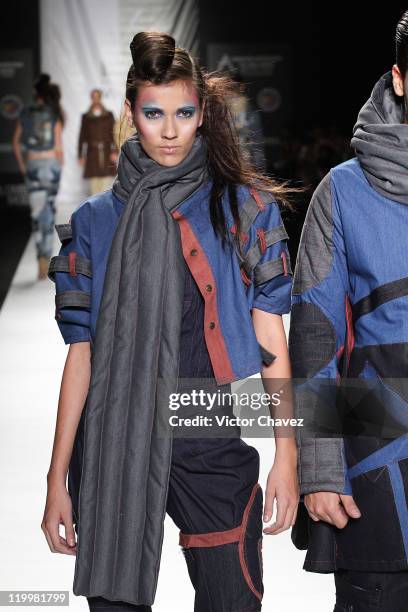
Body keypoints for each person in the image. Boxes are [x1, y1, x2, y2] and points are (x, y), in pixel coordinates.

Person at [41, 31, 299, 611]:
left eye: (184, 112)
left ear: (202, 113)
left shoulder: (241, 208)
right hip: (111, 437)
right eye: (154, 112)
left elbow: (270, 336)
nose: (169, 129)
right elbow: (80, 353)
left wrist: (288, 452)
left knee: (232, 601)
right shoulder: (94, 223)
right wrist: (57, 478)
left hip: (205, 426)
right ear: (132, 112)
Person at [289, 9, 408, 612]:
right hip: (378, 460)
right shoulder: (342, 191)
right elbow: (314, 341)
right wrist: (320, 467)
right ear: (400, 78)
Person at [12, 73, 64, 280]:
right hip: (51, 165)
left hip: (33, 164)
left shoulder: (25, 113)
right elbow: (58, 146)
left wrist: (23, 166)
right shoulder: (54, 113)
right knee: (49, 210)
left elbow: (16, 142)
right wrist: (59, 165)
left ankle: (40, 258)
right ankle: (47, 258)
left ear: (36, 94)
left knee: (36, 213)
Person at [78, 89, 117, 195]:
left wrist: (115, 151)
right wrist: (80, 155)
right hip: (92, 153)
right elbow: (82, 137)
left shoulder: (108, 115)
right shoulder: (86, 117)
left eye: (97, 97)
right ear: (91, 98)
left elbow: (114, 134)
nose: (96, 99)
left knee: (105, 184)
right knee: (94, 185)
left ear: (100, 98)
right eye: (93, 97)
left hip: (106, 152)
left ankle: (103, 208)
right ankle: (95, 209)